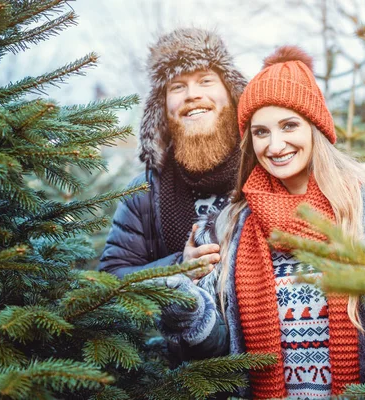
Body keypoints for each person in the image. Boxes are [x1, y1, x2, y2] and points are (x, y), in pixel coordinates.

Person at [162, 46, 365, 399]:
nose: (275, 145)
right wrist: (190, 311)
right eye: (261, 132)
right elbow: (218, 355)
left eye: (289, 125)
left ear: (315, 127)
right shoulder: (227, 226)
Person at [98, 28, 246, 365]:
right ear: (163, 109)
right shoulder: (144, 192)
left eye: (205, 80)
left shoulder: (264, 171)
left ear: (232, 93)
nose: (192, 95)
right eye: (177, 87)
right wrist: (179, 268)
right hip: (184, 377)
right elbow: (108, 283)